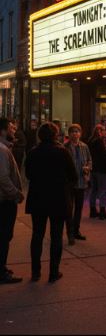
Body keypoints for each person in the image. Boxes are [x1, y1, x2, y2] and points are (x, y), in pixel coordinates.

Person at [25, 121, 77, 283]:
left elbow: (28, 174)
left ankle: (36, 272)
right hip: (58, 199)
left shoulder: (33, 152)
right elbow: (73, 176)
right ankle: (53, 272)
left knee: (37, 235)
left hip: (38, 198)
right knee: (56, 236)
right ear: (55, 135)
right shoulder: (62, 152)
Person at [0, 117, 24, 284]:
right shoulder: (2, 150)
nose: (14, 130)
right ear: (2, 130)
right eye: (11, 127)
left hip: (5, 200)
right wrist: (16, 193)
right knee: (3, 236)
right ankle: (1, 272)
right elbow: (3, 177)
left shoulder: (5, 148)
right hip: (4, 201)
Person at [65, 124, 91, 243]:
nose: (75, 134)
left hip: (81, 182)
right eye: (73, 132)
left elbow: (89, 160)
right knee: (69, 209)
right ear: (69, 134)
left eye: (77, 131)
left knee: (79, 208)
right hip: (69, 183)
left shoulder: (84, 147)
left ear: (80, 133)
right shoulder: (65, 147)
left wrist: (88, 168)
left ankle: (76, 231)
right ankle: (70, 233)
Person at [88, 123, 106, 220]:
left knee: (93, 190)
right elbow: (104, 156)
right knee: (103, 190)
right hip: (101, 169)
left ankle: (92, 210)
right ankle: (102, 211)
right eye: (104, 130)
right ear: (99, 131)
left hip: (93, 169)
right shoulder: (99, 141)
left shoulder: (90, 141)